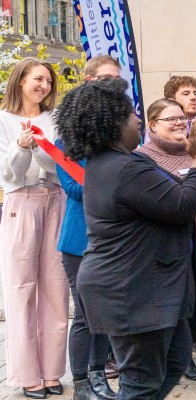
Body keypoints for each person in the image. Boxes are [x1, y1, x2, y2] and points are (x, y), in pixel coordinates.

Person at [61, 78, 196, 400]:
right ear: (112, 124)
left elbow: (174, 198)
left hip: (145, 288)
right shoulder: (124, 168)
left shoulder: (123, 163)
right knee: (141, 385)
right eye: (131, 114)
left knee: (174, 362)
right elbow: (182, 207)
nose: (137, 119)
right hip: (131, 292)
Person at [139, 100, 196, 375]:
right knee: (167, 306)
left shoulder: (195, 152)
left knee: (191, 303)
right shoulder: (142, 158)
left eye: (182, 118)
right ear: (153, 124)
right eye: (172, 119)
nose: (180, 123)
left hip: (195, 242)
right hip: (159, 246)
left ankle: (184, 356)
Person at [0, 58, 69, 398]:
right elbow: (9, 174)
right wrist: (21, 147)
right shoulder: (2, 120)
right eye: (38, 79)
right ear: (21, 80)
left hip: (55, 199)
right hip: (21, 204)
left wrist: (40, 148)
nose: (44, 85)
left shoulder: (55, 119)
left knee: (56, 288)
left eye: (48, 80)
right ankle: (27, 375)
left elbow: (60, 167)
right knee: (21, 289)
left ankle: (53, 371)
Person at [57, 56, 121, 400]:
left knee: (106, 314)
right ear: (88, 80)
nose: (113, 86)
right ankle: (82, 383)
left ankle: (100, 379)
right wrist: (116, 183)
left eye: (117, 80)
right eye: (106, 79)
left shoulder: (117, 132)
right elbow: (75, 189)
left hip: (113, 240)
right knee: (85, 315)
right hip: (80, 240)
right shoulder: (67, 138)